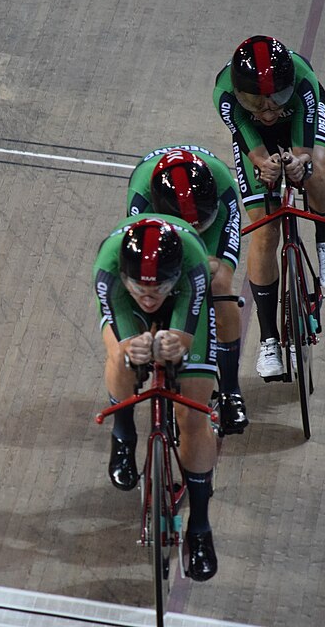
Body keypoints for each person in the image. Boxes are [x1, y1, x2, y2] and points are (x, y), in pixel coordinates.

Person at [93, 214, 218, 581]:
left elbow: (186, 337)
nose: (148, 298)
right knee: (122, 356)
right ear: (124, 274)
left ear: (174, 276)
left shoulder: (193, 264)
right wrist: (135, 348)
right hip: (122, 302)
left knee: (193, 417)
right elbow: (122, 326)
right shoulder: (107, 267)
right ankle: (124, 434)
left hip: (182, 302)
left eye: (156, 289)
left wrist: (176, 345)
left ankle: (200, 527)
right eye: (140, 288)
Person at [213, 35, 325, 379]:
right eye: (258, 102)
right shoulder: (225, 95)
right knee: (265, 231)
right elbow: (252, 147)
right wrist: (266, 165)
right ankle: (269, 339)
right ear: (241, 95)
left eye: (275, 100)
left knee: (314, 166)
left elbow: (302, 151)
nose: (269, 110)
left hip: (301, 122)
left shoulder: (302, 82)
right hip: (255, 138)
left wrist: (297, 163)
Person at [127, 145, 248, 435]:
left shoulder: (222, 188)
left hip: (214, 219)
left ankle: (231, 390)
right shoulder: (142, 198)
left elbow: (218, 268)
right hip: (164, 229)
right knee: (152, 280)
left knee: (219, 285)